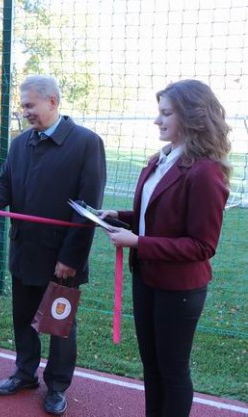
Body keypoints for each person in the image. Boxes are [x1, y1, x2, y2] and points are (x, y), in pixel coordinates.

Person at [0, 75, 106, 416]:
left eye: (29, 105)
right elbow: (5, 186)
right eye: (22, 106)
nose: (24, 112)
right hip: (24, 253)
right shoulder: (21, 143)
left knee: (59, 326)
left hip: (62, 261)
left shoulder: (86, 143)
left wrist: (71, 258)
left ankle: (57, 386)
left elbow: (88, 209)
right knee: (23, 319)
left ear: (52, 102)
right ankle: (25, 374)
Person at [101, 80, 231, 417]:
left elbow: (202, 245)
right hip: (146, 277)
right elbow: (156, 216)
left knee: (172, 371)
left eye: (166, 113)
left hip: (179, 289)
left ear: (191, 116)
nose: (157, 120)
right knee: (152, 365)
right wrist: (119, 217)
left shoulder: (206, 172)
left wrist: (138, 242)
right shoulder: (160, 160)